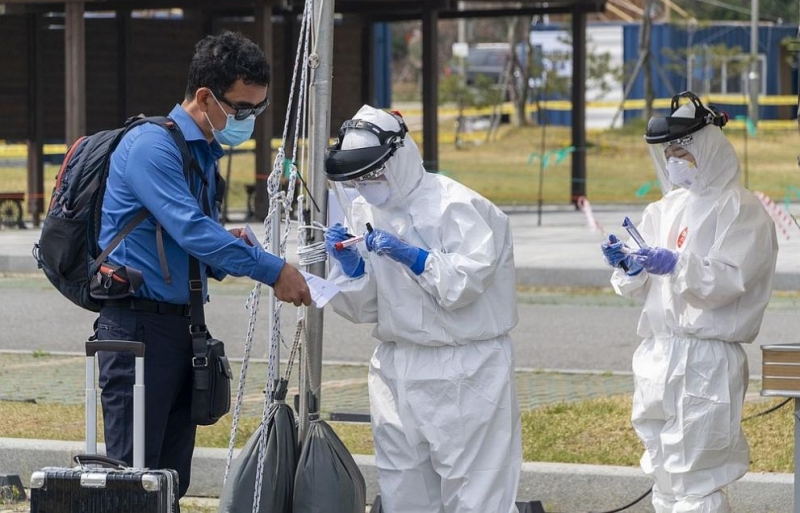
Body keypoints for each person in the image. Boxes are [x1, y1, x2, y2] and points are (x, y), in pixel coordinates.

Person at [96, 30, 311, 499]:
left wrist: (226, 249)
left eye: (258, 110)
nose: (249, 120)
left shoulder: (201, 155)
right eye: (242, 109)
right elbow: (193, 230)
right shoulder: (152, 147)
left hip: (180, 331)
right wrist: (273, 269)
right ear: (205, 97)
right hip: (135, 329)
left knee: (171, 482)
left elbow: (195, 243)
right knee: (135, 481)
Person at [323, 105, 522, 513]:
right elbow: (366, 308)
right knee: (403, 491)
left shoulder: (457, 206)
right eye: (357, 178)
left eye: (371, 173)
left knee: (475, 492)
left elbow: (463, 285)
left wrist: (416, 258)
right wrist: (353, 269)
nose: (365, 185)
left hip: (465, 368)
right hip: (396, 366)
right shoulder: (364, 209)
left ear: (398, 158)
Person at [600, 91, 778, 513]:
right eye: (670, 153)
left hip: (706, 359)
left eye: (684, 150)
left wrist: (677, 264)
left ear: (709, 147)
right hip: (658, 353)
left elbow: (729, 280)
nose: (676, 160)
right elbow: (640, 287)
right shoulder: (664, 208)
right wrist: (629, 266)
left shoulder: (742, 209)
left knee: (697, 479)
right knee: (662, 472)